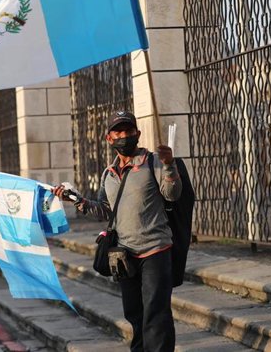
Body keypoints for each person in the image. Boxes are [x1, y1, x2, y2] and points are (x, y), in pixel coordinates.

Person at [53, 110, 181, 352]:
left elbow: (172, 194)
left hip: (156, 249)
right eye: (118, 132)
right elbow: (104, 210)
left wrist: (169, 165)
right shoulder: (108, 174)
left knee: (156, 313)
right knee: (135, 314)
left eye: (129, 131)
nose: (124, 136)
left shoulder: (152, 162)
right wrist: (77, 199)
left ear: (138, 134)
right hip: (124, 255)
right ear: (109, 138)